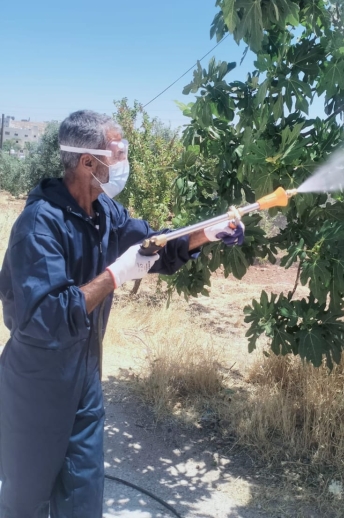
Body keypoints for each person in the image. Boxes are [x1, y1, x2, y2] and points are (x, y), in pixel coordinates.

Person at [0, 110, 244, 518]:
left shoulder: (105, 213)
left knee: (83, 500)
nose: (124, 161)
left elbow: (153, 247)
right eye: (118, 152)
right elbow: (49, 319)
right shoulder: (39, 225)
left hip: (85, 380)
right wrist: (117, 274)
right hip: (35, 388)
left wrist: (206, 233)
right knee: (25, 502)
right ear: (87, 162)